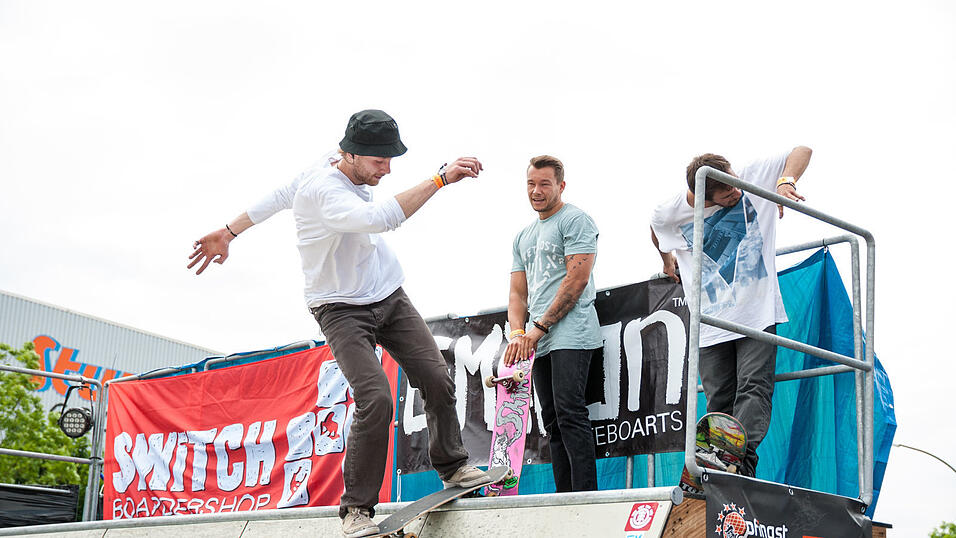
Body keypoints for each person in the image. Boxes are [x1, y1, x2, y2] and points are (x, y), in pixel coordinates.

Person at [189, 110, 491, 538]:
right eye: (378, 162)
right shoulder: (324, 191)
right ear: (349, 155)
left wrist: (227, 231)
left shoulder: (330, 159)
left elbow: (277, 195)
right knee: (376, 398)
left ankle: (453, 466)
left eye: (391, 161)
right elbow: (380, 218)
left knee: (436, 377)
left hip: (387, 293)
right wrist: (439, 179)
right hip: (338, 308)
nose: (386, 170)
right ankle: (356, 511)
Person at [649, 146, 812, 477]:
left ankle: (738, 462)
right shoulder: (671, 212)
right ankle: (721, 465)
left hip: (756, 312)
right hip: (710, 320)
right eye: (726, 195)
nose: (737, 193)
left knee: (754, 386)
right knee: (719, 398)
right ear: (704, 198)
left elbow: (802, 149)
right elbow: (655, 228)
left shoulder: (751, 176)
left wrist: (784, 182)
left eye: (736, 185)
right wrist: (666, 259)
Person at [503, 155, 602, 492]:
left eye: (544, 183)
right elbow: (517, 294)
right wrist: (519, 333)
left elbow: (576, 281)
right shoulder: (522, 236)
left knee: (570, 412)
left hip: (572, 333)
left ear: (561, 185)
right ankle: (564, 500)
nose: (536, 190)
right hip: (536, 338)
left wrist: (538, 328)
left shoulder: (575, 220)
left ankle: (586, 498)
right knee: (552, 421)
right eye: (531, 183)